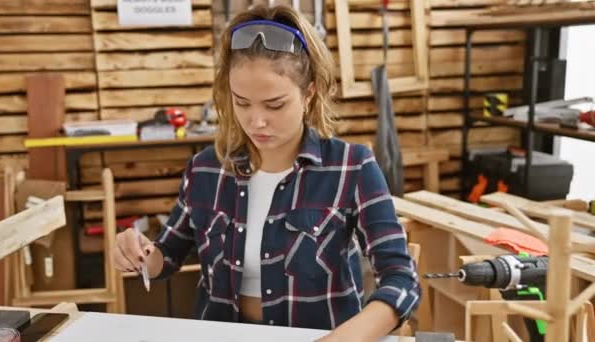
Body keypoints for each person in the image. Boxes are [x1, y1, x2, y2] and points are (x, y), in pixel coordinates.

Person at [113, 4, 420, 341]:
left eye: (274, 105)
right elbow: (166, 257)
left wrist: (343, 338)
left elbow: (401, 279)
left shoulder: (351, 168)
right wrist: (139, 253)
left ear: (309, 93)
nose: (256, 121)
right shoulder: (206, 169)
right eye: (241, 102)